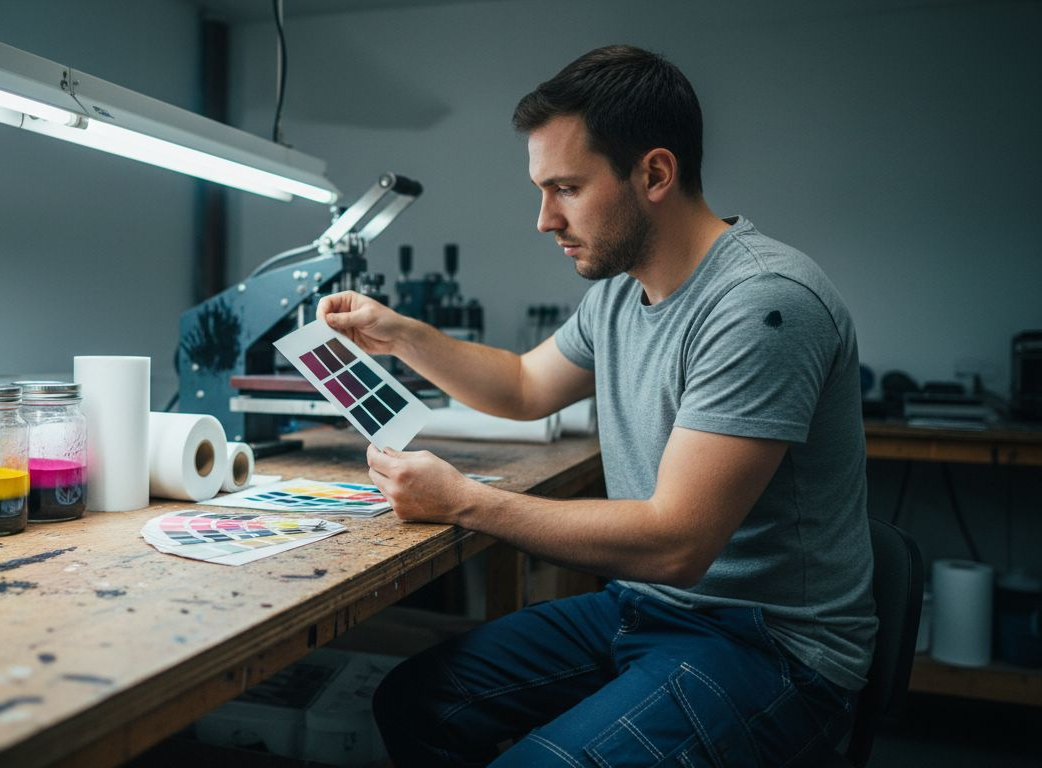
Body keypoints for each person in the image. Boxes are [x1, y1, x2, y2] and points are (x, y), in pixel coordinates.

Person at [316, 45, 875, 767]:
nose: (545, 219)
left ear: (654, 174)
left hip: (772, 649)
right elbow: (523, 386)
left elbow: (677, 543)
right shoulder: (618, 292)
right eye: (541, 189)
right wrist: (401, 335)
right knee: (415, 704)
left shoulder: (762, 304)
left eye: (567, 188)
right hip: (649, 609)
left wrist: (464, 502)